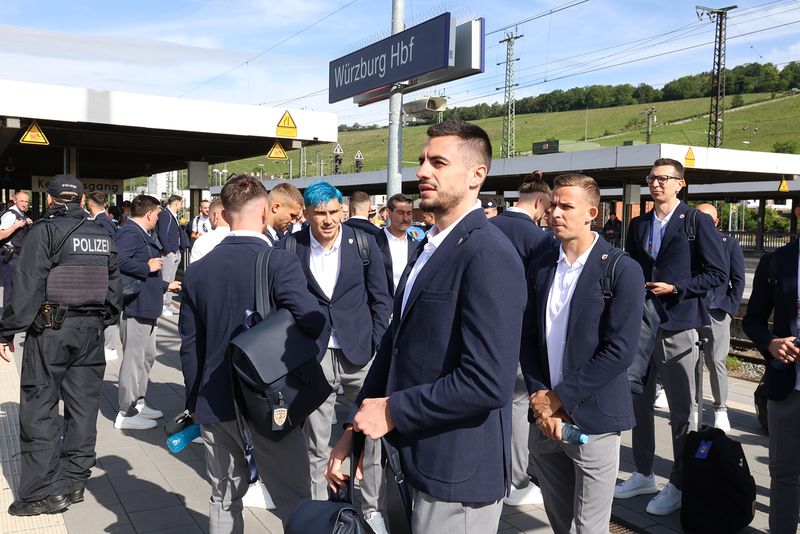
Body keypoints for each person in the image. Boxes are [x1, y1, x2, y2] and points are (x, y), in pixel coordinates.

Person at [325, 121, 526, 533]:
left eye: (438, 162)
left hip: (456, 472)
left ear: (477, 175)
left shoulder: (488, 254)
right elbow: (396, 344)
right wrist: (355, 427)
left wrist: (393, 410)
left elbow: (488, 381)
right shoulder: (429, 245)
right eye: (421, 161)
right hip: (414, 457)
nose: (422, 172)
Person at [179, 175, 325, 531]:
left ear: (226, 214)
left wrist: (194, 400)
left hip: (215, 401)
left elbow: (189, 345)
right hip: (271, 400)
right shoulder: (278, 263)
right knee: (294, 499)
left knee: (223, 497)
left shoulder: (197, 272)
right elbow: (312, 321)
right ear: (263, 212)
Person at [523, 173, 644, 533]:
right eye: (553, 204)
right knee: (560, 522)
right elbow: (528, 338)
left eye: (567, 206)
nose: (555, 212)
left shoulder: (621, 269)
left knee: (589, 527)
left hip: (593, 420)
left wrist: (558, 399)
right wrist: (540, 399)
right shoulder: (542, 265)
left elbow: (619, 351)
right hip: (545, 418)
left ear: (592, 212)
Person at [0, 174, 121, 516]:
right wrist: (98, 322)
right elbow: (115, 292)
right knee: (83, 409)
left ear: (50, 201)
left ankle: (44, 492)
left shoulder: (44, 231)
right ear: (82, 201)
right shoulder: (102, 234)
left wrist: (6, 331)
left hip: (51, 331)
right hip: (91, 333)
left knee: (39, 408)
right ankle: (74, 481)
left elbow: (26, 286)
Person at [278, 180, 392, 534]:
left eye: (333, 212)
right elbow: (281, 301)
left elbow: (381, 298)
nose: (328, 220)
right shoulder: (290, 247)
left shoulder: (365, 243)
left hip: (359, 354)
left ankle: (372, 508)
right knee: (316, 440)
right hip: (315, 354)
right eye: (320, 214)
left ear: (343, 210)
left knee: (371, 438)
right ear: (308, 214)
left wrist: (375, 341)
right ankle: (320, 513)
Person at [616, 158, 726, 516]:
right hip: (642, 325)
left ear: (681, 183)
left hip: (679, 324)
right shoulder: (639, 223)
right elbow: (630, 268)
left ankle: (678, 482)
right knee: (639, 402)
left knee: (682, 410)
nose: (656, 183)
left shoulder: (695, 222)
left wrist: (676, 286)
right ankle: (644, 472)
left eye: (664, 178)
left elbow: (716, 274)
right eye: (651, 177)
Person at [490, 170, 554, 507]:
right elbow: (543, 292)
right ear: (540, 202)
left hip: (483, 331)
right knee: (517, 404)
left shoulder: (488, 226)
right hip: (518, 334)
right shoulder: (538, 239)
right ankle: (516, 480)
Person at [743, 211, 800, 534]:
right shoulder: (777, 261)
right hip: (786, 385)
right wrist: (771, 343)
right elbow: (752, 320)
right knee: (784, 474)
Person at [114, 195, 181, 430]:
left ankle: (139, 402)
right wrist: (145, 267)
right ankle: (126, 411)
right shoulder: (130, 232)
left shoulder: (139, 233)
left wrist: (165, 285)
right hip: (136, 308)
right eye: (158, 215)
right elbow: (117, 260)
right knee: (134, 360)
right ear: (151, 214)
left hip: (147, 305)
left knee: (147, 357)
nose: (159, 219)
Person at [695, 203, 745, 432]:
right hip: (692, 309)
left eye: (707, 219)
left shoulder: (730, 244)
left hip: (717, 310)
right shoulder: (688, 242)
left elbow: (738, 279)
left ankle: (720, 408)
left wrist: (730, 308)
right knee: (689, 359)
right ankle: (693, 403)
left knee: (716, 361)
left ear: (716, 222)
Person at [87, 191, 121, 360]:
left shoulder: (102, 224)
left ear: (90, 204)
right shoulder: (106, 221)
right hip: (106, 271)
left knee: (107, 305)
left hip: (104, 271)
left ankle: (109, 347)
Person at [375, 193, 418, 295]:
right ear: (389, 213)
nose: (406, 218)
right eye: (400, 213)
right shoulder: (374, 242)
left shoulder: (417, 247)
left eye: (409, 213)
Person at [156, 194, 188, 316]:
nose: (181, 206)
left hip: (175, 251)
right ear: (176, 203)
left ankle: (168, 303)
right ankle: (163, 304)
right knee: (166, 278)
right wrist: (167, 251)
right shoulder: (165, 215)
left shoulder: (172, 216)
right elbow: (162, 233)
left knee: (171, 278)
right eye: (181, 203)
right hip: (169, 253)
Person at [0, 191, 34, 307]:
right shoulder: (10, 215)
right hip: (10, 257)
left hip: (18, 256)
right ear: (15, 201)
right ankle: (6, 319)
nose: (25, 204)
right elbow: (1, 235)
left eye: (26, 202)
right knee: (10, 289)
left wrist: (26, 223)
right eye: (22, 201)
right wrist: (15, 226)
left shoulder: (22, 214)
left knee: (17, 288)